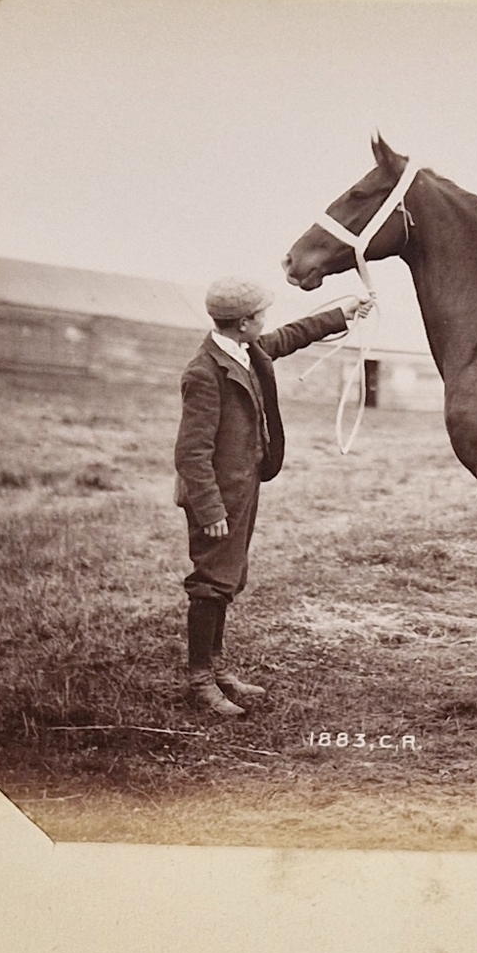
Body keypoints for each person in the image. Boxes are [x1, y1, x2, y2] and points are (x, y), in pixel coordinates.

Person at [175, 276, 370, 715]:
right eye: (260, 316)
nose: (266, 323)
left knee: (227, 577)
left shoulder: (247, 350)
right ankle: (200, 679)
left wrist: (342, 315)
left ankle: (218, 668)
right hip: (216, 498)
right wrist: (209, 510)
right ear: (244, 323)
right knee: (210, 580)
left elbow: (292, 335)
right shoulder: (204, 372)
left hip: (242, 488)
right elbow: (191, 452)